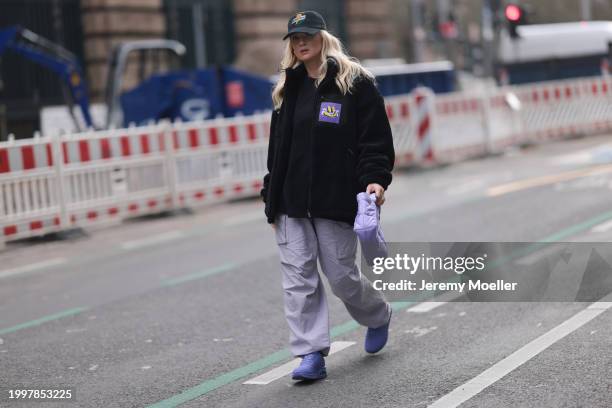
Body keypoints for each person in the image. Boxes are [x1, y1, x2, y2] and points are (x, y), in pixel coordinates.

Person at [260, 10, 395, 381]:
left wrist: (375, 180)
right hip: (290, 203)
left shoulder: (355, 83)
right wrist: (270, 198)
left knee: (342, 277)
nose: (301, 43)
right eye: (294, 38)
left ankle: (377, 314)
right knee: (298, 279)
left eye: (307, 35)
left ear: (323, 38)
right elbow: (278, 151)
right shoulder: (289, 87)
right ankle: (310, 354)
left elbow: (375, 142)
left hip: (335, 200)